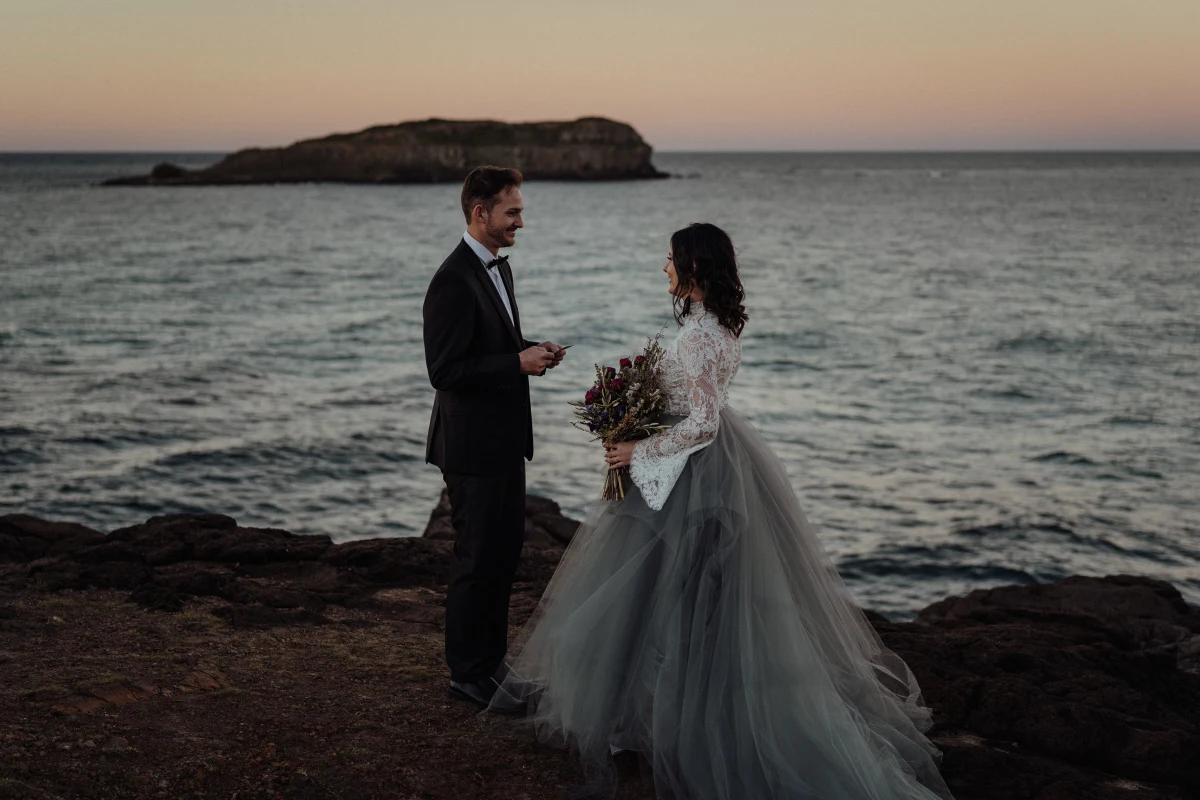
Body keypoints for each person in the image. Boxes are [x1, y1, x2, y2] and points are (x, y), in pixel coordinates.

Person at [491, 223, 955, 799]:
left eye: (669, 261)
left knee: (672, 600)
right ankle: (665, 716)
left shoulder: (696, 338)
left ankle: (673, 725)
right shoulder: (719, 327)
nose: (662, 269)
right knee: (696, 602)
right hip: (716, 468)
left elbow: (704, 423)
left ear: (691, 270)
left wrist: (636, 447)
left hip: (695, 475)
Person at [422, 165, 566, 710]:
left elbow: (496, 345)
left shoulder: (499, 273)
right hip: (470, 448)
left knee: (503, 557)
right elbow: (445, 370)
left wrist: (532, 350)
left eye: (520, 211)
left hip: (505, 441)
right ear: (480, 213)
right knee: (476, 558)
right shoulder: (451, 280)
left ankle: (493, 667)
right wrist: (514, 362)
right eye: (513, 212)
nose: (521, 222)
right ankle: (467, 675)